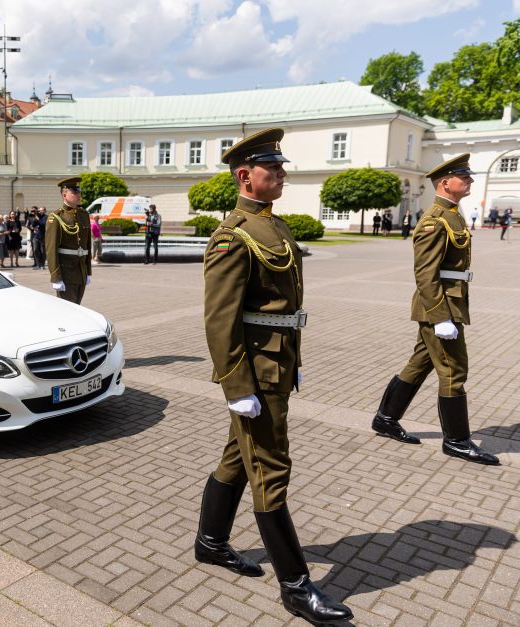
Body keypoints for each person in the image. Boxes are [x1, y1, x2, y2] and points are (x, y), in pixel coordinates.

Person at [197, 128, 353, 624]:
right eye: (274, 168)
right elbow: (220, 320)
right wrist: (237, 388)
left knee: (239, 459)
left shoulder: (274, 226)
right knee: (271, 468)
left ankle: (210, 542)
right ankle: (296, 586)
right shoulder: (233, 234)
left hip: (278, 364)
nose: (283, 173)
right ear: (245, 176)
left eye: (282, 166)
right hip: (257, 374)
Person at [370, 154, 498, 465]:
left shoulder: (453, 214)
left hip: (449, 303)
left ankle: (385, 419)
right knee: (454, 371)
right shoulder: (434, 220)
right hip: (439, 308)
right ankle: (456, 441)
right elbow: (425, 274)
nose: (468, 181)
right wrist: (442, 317)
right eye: (463, 177)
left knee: (420, 363)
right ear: (445, 183)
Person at [46, 177, 91, 304]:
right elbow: (51, 249)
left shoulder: (83, 214)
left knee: (77, 307)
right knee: (67, 310)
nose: (78, 195)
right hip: (66, 273)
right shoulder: (55, 217)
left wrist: (88, 271)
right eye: (74, 192)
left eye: (79, 192)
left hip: (81, 271)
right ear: (64, 194)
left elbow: (87, 245)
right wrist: (56, 277)